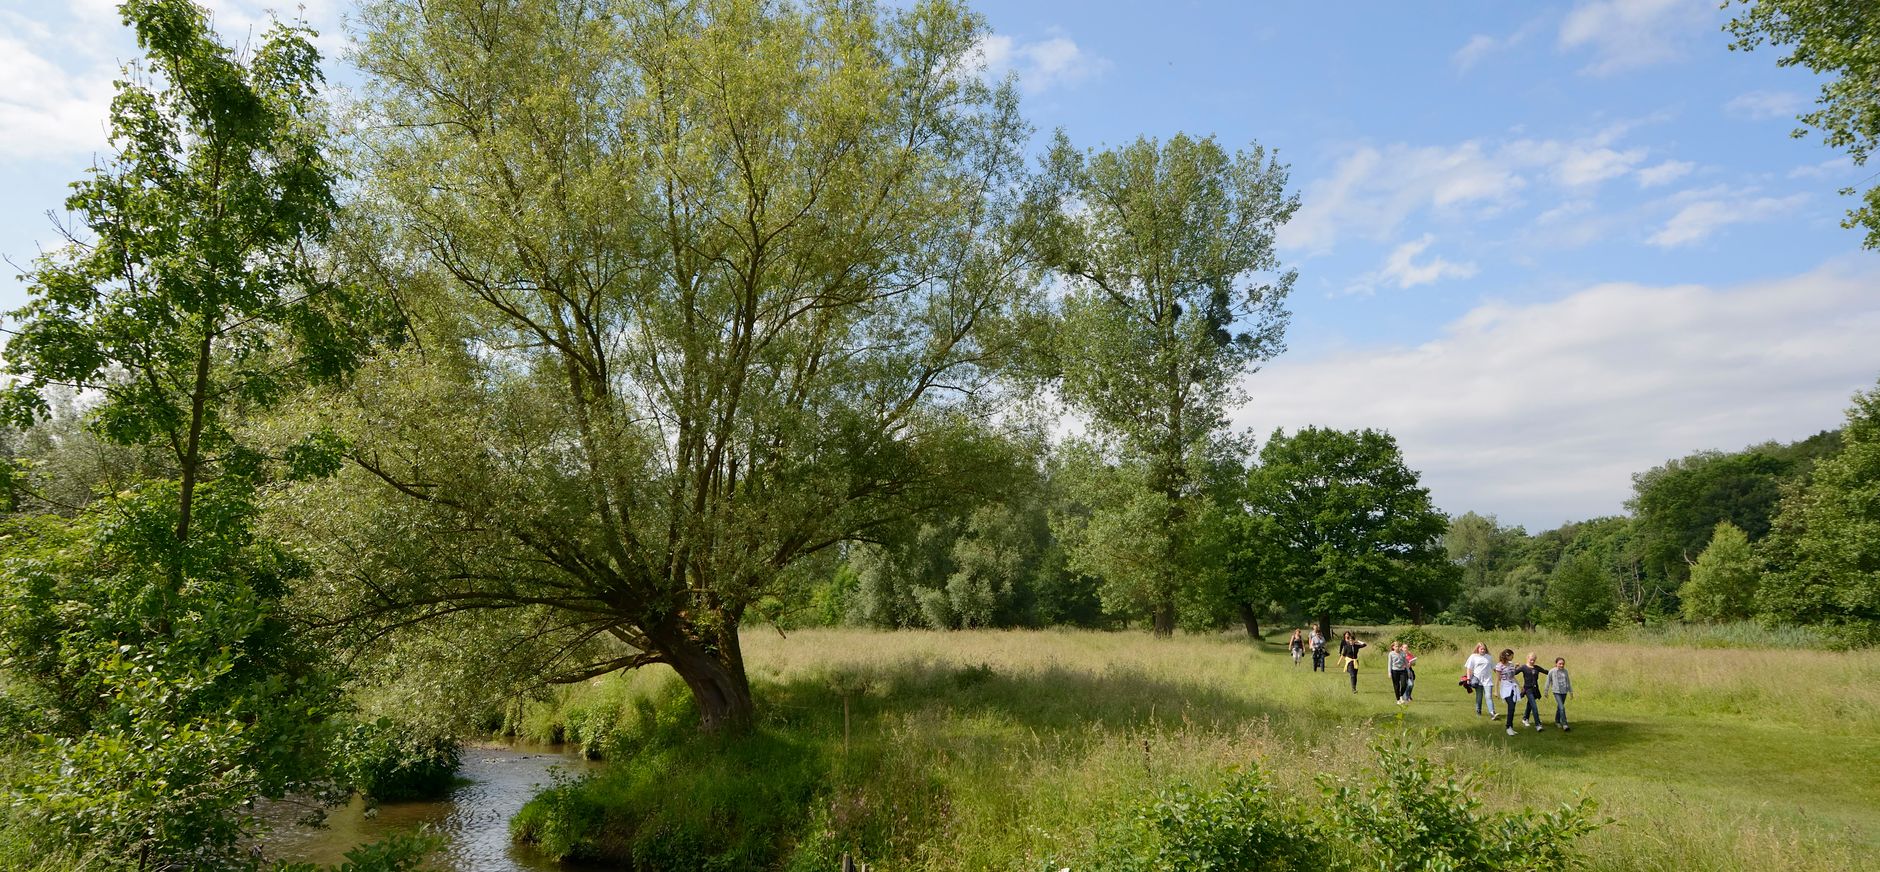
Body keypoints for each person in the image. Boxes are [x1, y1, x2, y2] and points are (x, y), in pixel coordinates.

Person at [1463, 643, 1496, 718]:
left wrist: (1501, 675)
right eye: (1481, 649)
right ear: (1478, 649)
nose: (1483, 650)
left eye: (1484, 649)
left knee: (1488, 696)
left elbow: (1494, 667)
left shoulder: (1489, 657)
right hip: (1478, 680)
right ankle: (1478, 711)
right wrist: (1468, 678)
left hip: (1488, 680)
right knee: (1479, 696)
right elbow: (1469, 668)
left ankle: (1492, 713)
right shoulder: (1473, 657)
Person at [1494, 648, 1521, 736]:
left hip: (1513, 687)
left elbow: (1512, 676)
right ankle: (1508, 727)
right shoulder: (1499, 666)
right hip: (1505, 688)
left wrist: (1520, 685)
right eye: (1512, 655)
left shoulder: (1511, 664)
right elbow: (1497, 679)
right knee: (1511, 706)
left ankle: (1511, 727)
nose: (1513, 657)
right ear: (1508, 655)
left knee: (1512, 708)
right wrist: (1496, 691)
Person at [1519, 653, 1545, 731]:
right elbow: (1514, 673)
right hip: (1527, 689)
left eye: (1534, 660)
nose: (1532, 661)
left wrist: (1555, 669)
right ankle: (1538, 724)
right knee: (1534, 706)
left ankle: (1525, 718)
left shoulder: (1536, 668)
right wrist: (1515, 667)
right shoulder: (1523, 667)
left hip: (1535, 689)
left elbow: (1546, 671)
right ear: (1527, 658)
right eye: (1531, 660)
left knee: (1529, 704)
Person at [1546, 656, 1573, 732]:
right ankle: (1565, 724)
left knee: (1559, 707)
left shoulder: (1565, 671)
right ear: (1556, 664)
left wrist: (1570, 691)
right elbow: (1548, 681)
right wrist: (1546, 691)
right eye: (1560, 664)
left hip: (1564, 691)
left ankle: (1557, 721)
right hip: (1556, 692)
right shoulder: (1552, 671)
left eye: (1563, 664)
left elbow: (1568, 681)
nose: (1561, 665)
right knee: (1562, 708)